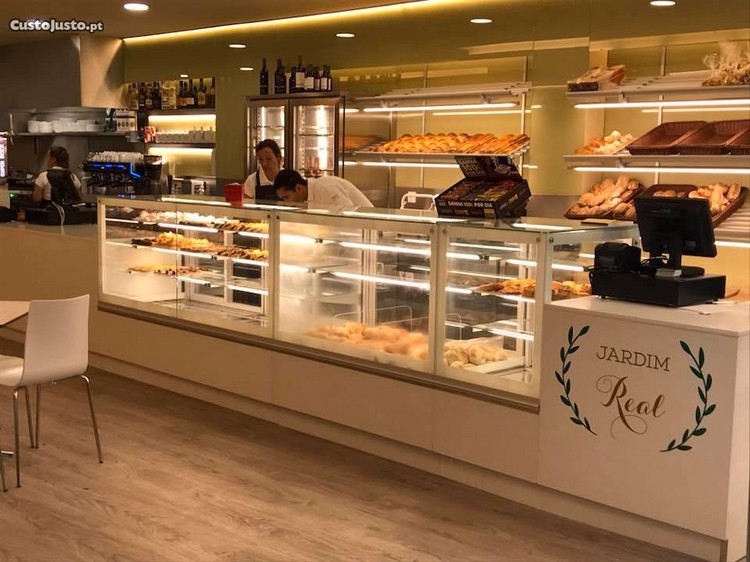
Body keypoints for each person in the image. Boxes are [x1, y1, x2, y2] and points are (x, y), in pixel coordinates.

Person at [273, 169, 373, 208]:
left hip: (369, 232)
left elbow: (347, 214)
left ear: (298, 188)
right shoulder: (307, 198)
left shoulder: (325, 188)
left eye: (286, 197)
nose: (286, 202)